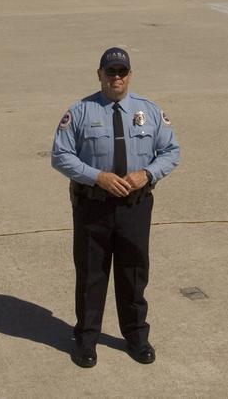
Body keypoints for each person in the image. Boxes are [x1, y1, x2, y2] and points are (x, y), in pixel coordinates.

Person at [52, 47, 180, 369]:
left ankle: (136, 336)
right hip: (93, 207)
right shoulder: (80, 112)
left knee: (133, 274)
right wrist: (98, 177)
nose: (117, 77)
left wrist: (146, 173)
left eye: (122, 72)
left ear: (130, 75)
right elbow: (61, 155)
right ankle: (86, 341)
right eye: (111, 72)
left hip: (135, 207)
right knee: (92, 275)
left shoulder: (149, 111)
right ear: (100, 75)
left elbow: (171, 151)